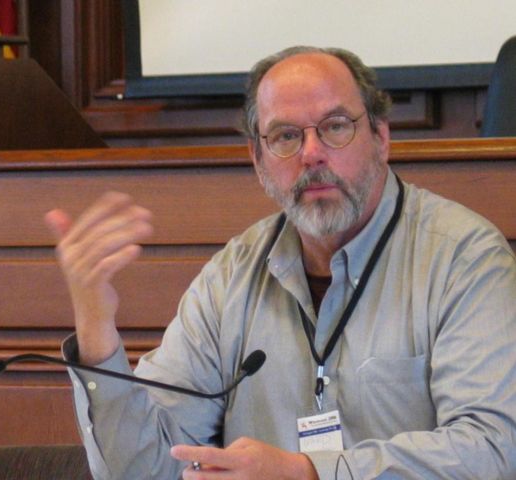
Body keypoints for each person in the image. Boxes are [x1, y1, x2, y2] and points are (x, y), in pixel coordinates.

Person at [45, 46, 516, 480]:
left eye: (335, 127)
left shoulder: (464, 258)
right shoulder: (231, 277)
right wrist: (95, 328)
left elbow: (494, 451)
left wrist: (311, 472)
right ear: (258, 158)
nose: (311, 154)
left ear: (380, 138)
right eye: (286, 135)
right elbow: (144, 470)